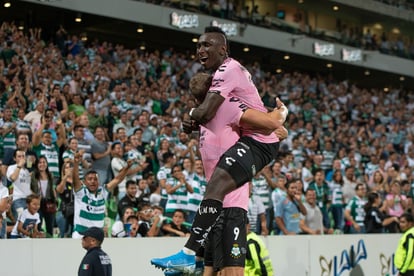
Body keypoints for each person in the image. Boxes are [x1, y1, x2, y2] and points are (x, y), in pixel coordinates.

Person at [152, 71, 288, 273]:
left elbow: (276, 130)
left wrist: (280, 114)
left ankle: (190, 259)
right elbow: (275, 128)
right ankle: (191, 260)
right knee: (219, 270)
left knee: (221, 271)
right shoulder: (210, 113)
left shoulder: (220, 111)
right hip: (223, 205)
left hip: (223, 204)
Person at [71, 151, 131, 238]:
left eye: (95, 179)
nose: (92, 181)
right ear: (84, 182)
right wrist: (76, 163)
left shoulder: (103, 191)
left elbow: (117, 179)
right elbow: (75, 180)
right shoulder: (81, 192)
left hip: (97, 236)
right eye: (90, 179)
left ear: (98, 181)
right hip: (80, 235)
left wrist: (127, 167)